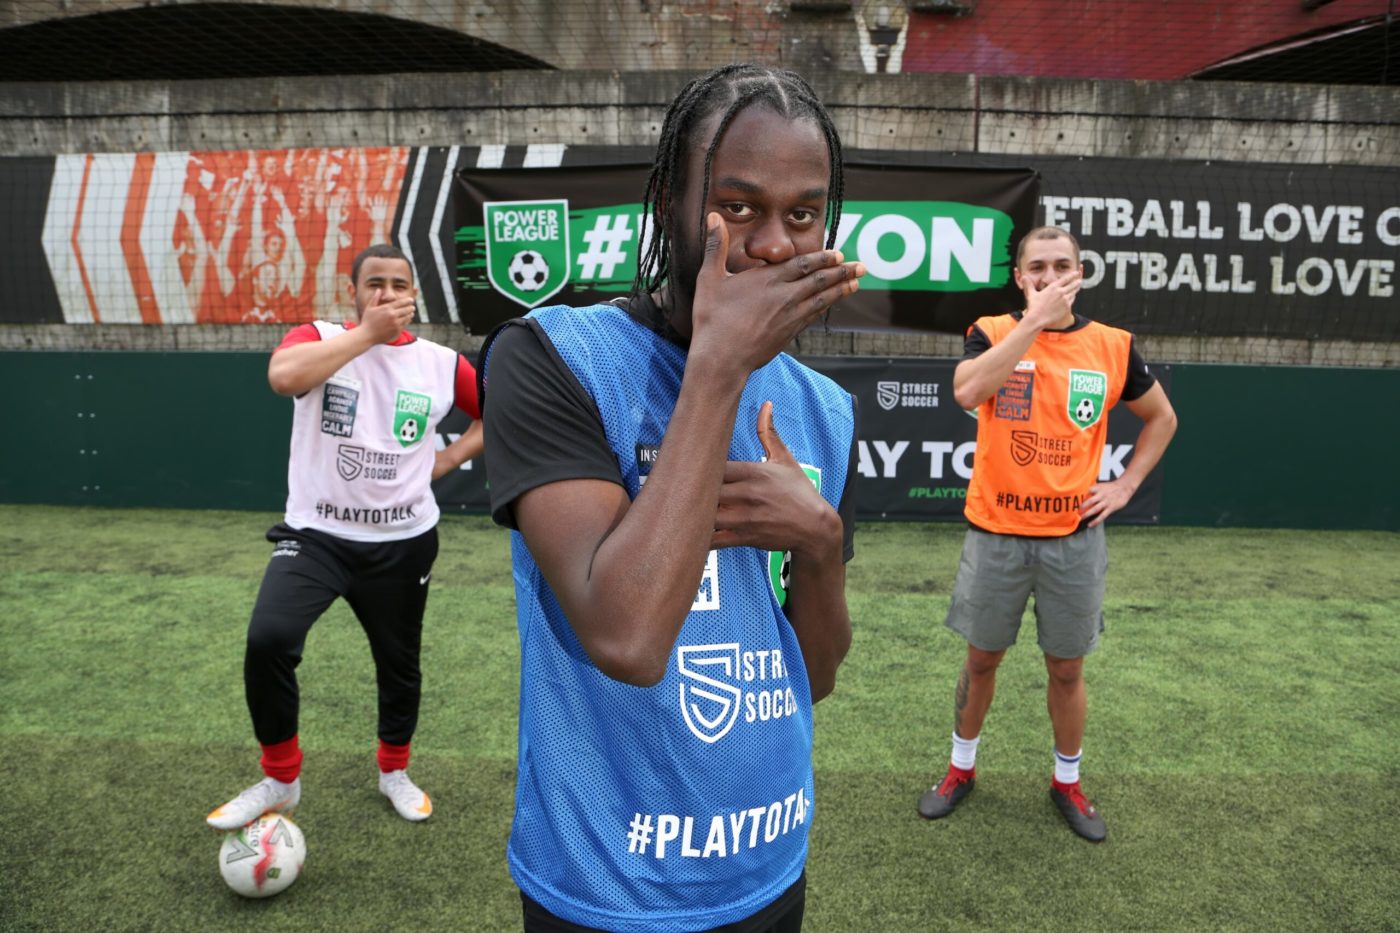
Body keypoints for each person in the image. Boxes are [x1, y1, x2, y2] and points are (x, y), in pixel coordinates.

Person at [478, 64, 865, 932]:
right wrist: (718, 366)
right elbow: (626, 637)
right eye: (737, 205)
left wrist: (819, 545)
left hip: (768, 865)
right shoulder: (553, 359)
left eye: (803, 214)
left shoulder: (824, 410)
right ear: (667, 203)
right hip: (607, 886)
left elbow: (816, 675)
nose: (775, 244)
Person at [207, 244, 483, 831]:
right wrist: (368, 336)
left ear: (414, 296)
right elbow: (283, 377)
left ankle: (394, 772)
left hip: (404, 542)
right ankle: (281, 779)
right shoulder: (319, 337)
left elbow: (502, 409)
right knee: (269, 640)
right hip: (318, 537)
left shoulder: (440, 364)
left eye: (398, 285)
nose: (387, 294)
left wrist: (450, 457)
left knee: (398, 663)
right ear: (353, 292)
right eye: (374, 284)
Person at [916, 226, 1178, 842]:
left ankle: (1067, 782)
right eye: (1037, 266)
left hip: (1073, 539)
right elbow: (967, 391)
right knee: (981, 660)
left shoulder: (1113, 345)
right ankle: (960, 769)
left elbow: (1162, 418)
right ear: (1019, 276)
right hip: (995, 534)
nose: (1050, 276)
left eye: (1062, 266)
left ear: (1079, 274)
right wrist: (1034, 322)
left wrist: (1125, 485)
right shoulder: (992, 331)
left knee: (1066, 668)